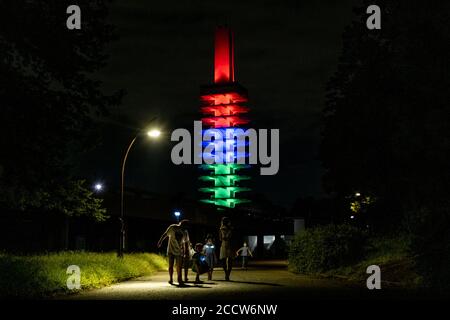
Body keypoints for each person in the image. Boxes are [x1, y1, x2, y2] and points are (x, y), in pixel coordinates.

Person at [157, 219, 190, 285]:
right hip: (171, 250)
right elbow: (165, 234)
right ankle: (171, 279)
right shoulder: (172, 227)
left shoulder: (185, 232)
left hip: (179, 251)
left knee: (179, 266)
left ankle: (179, 279)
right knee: (171, 265)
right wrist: (160, 241)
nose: (185, 228)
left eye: (186, 227)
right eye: (184, 226)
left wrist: (186, 252)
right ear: (181, 224)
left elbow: (186, 242)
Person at [219, 217, 233, 281]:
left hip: (225, 244)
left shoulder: (221, 229)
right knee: (228, 261)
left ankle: (226, 274)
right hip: (228, 244)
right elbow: (221, 238)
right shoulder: (229, 229)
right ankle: (227, 275)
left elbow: (220, 238)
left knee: (225, 261)